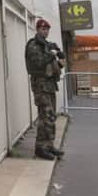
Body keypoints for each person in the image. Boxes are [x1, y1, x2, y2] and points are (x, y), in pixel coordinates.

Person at [25, 18, 65, 160]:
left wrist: (60, 59)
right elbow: (38, 63)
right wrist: (51, 54)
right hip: (40, 86)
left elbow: (57, 64)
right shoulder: (33, 45)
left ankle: (48, 145)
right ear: (37, 29)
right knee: (45, 117)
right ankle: (40, 148)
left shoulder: (48, 45)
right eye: (43, 29)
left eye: (47, 29)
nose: (45, 31)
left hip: (50, 85)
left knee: (51, 116)